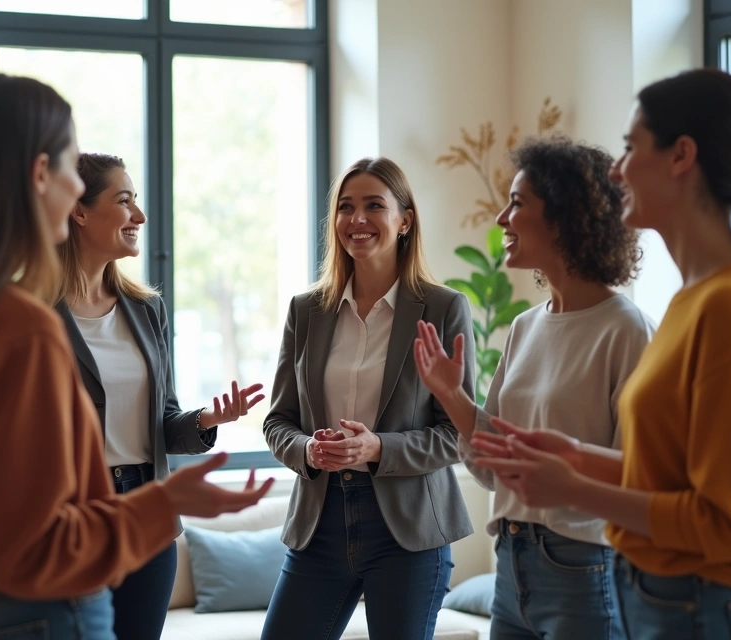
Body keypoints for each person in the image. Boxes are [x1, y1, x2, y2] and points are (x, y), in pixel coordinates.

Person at [0, 72, 273, 640]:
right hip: (44, 616)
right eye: (68, 165)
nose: (73, 184)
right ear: (42, 175)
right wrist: (163, 503)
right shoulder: (24, 327)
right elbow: (36, 551)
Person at [471, 68, 731, 640]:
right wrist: (576, 456)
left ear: (680, 156)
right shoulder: (694, 302)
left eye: (629, 148)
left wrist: (574, 488)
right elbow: (676, 480)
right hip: (670, 606)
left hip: (709, 613)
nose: (616, 172)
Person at [414, 136, 653, 640]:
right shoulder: (525, 326)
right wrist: (452, 396)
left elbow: (640, 476)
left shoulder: (626, 330)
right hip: (511, 561)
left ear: (566, 218)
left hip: (584, 567)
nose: (502, 218)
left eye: (518, 203)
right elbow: (492, 469)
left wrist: (565, 475)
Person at [261, 157, 476, 640]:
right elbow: (279, 421)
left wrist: (377, 448)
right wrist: (308, 450)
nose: (356, 220)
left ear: (405, 219)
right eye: (345, 207)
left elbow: (458, 432)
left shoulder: (443, 308)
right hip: (319, 524)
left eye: (374, 206)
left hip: (409, 531)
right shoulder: (306, 311)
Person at [54, 152, 265, 640]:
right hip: (76, 516)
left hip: (150, 516)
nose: (140, 217)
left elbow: (165, 423)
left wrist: (208, 418)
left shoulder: (147, 310)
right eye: (124, 201)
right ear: (79, 211)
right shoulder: (35, 312)